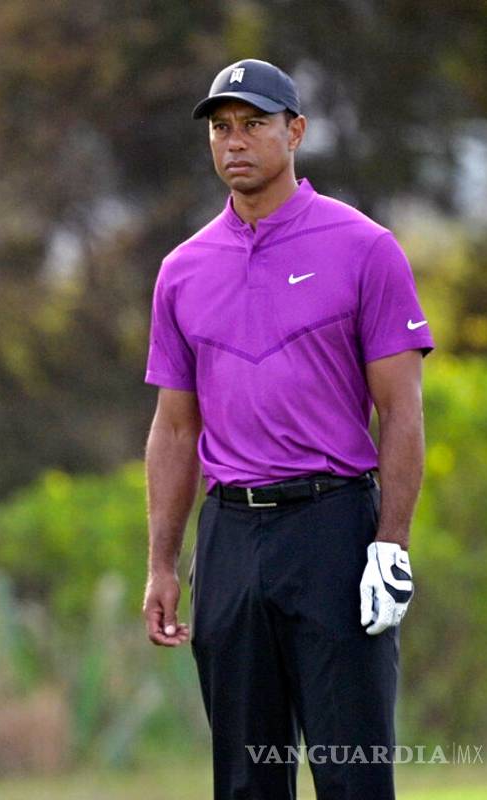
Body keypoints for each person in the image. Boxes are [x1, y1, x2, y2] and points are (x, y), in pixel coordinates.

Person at [142, 59, 431, 799]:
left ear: (295, 131)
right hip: (231, 539)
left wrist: (389, 545)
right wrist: (163, 564)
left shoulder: (365, 248)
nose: (235, 142)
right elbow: (175, 431)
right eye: (221, 128)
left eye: (254, 124)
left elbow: (400, 411)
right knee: (245, 779)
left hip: (334, 530)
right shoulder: (182, 270)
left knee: (351, 774)